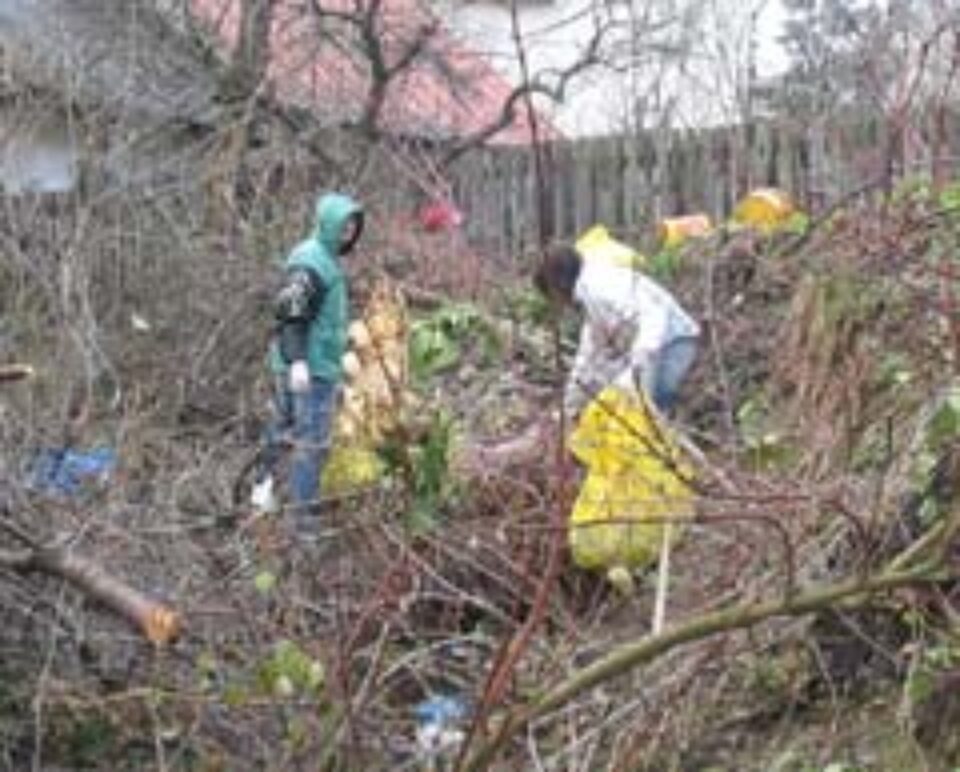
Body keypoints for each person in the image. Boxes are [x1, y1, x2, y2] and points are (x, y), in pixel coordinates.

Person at [254, 191, 364, 532]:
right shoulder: (310, 260)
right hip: (308, 372)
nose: (348, 232)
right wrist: (298, 360)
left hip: (311, 364)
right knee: (311, 444)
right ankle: (303, 521)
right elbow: (292, 312)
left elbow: (321, 318)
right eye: (343, 225)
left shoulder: (325, 260)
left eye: (353, 226)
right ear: (328, 224)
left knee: (283, 432)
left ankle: (264, 497)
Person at [534, 243, 700, 421]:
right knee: (635, 403)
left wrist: (639, 361)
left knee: (655, 410)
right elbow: (588, 356)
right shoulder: (590, 296)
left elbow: (653, 313)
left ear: (558, 284)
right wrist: (568, 408)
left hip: (674, 341)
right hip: (661, 344)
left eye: (551, 296)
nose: (557, 304)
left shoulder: (599, 286)